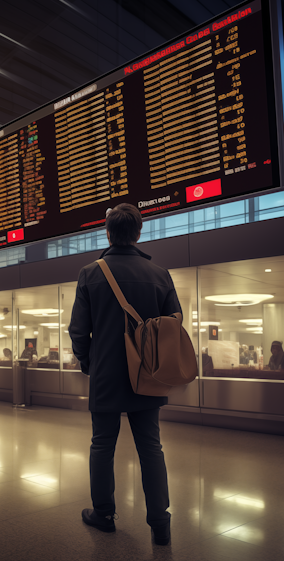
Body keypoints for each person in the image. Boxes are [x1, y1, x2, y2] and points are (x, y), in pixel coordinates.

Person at [69, 203, 181, 546]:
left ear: (107, 231)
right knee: (151, 446)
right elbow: (173, 327)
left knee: (102, 444)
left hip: (106, 374)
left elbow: (78, 331)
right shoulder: (160, 274)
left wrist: (91, 363)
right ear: (139, 231)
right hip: (147, 374)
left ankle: (103, 514)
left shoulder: (90, 273)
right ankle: (160, 522)